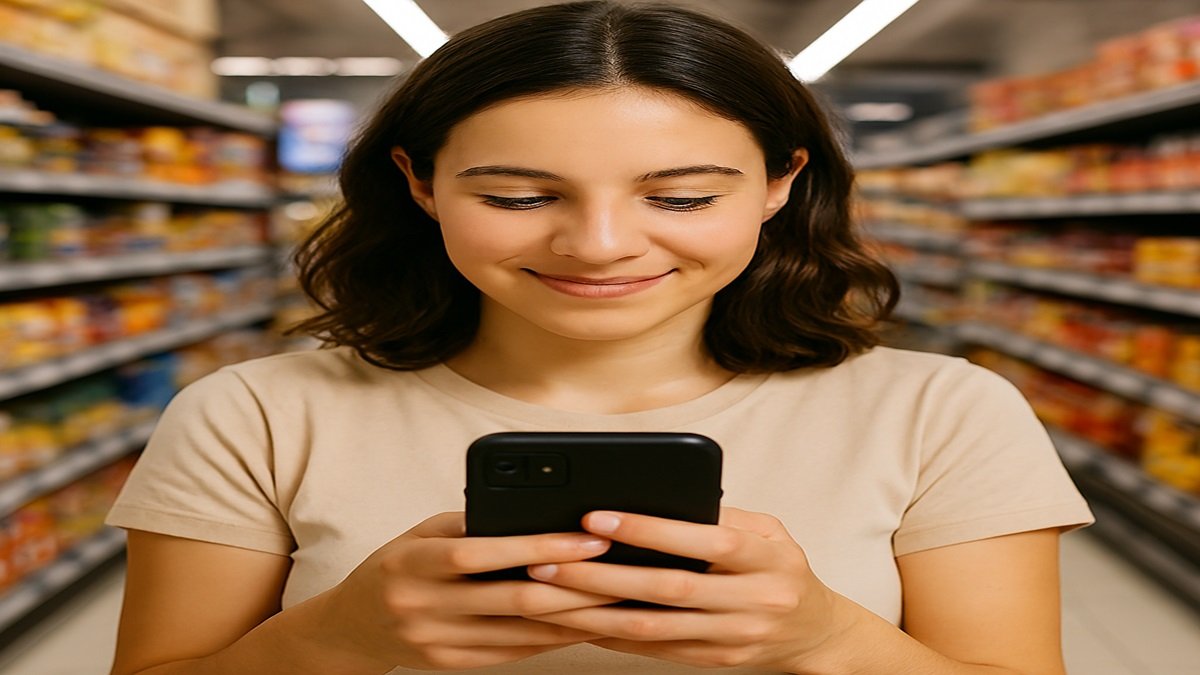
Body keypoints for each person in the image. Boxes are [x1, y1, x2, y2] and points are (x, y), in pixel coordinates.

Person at [105, 2, 1094, 673]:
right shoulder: (253, 415)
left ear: (781, 184)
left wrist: (826, 635)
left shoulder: (942, 414)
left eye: (682, 195)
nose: (600, 244)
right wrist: (336, 638)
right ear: (419, 183)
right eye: (519, 195)